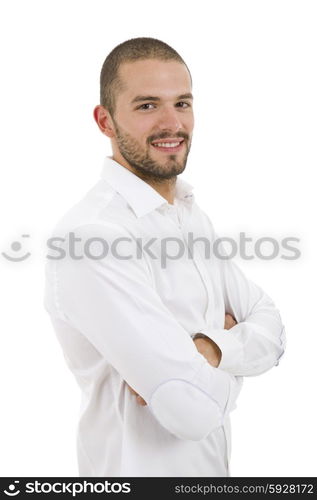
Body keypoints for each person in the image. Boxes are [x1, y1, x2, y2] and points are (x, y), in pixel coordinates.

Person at [44, 37, 286, 477]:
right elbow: (191, 412)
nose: (172, 123)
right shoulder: (92, 237)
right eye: (147, 106)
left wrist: (209, 349)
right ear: (105, 121)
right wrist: (235, 349)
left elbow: (272, 327)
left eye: (183, 103)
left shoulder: (191, 217)